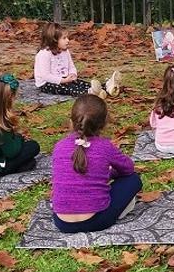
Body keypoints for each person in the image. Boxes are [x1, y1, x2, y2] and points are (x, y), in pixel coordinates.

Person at [52, 94, 142, 233]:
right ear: (105, 122)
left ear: (71, 121)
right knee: (133, 179)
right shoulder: (105, 146)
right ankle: (119, 211)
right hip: (97, 221)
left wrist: (103, 174)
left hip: (62, 222)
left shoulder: (59, 146)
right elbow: (128, 169)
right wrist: (110, 173)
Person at [34, 22, 122, 98]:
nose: (68, 40)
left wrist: (73, 74)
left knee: (81, 83)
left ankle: (106, 87)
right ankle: (90, 93)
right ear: (54, 40)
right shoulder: (44, 54)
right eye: (64, 38)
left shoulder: (65, 51)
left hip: (65, 78)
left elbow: (71, 66)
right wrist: (63, 80)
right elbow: (45, 76)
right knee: (70, 89)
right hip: (47, 83)